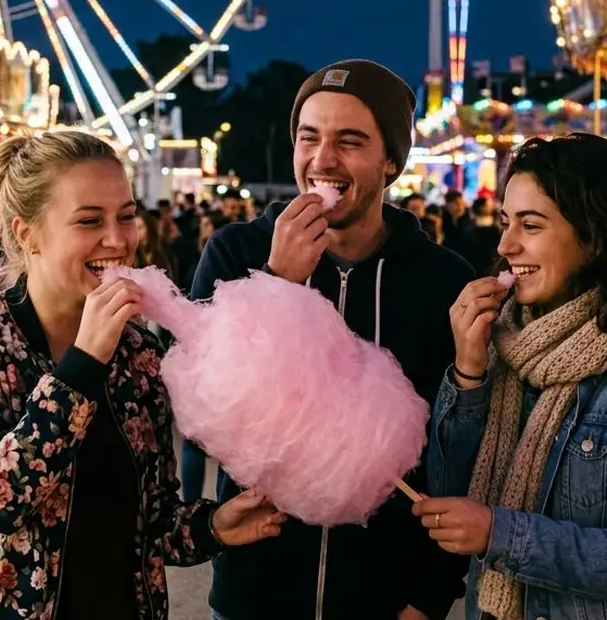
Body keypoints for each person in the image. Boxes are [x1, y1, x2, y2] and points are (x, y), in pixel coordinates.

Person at [0, 131, 285, 620]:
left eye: (127, 216)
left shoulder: (141, 355)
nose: (119, 240)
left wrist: (214, 526)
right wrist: (84, 363)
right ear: (26, 233)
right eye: (90, 220)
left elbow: (150, 522)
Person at [193, 59, 473, 620]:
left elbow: (460, 454)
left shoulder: (443, 280)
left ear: (391, 161)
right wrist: (277, 286)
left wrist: (430, 594)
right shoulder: (236, 254)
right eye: (309, 137)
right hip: (257, 590)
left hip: (386, 597)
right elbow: (203, 420)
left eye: (350, 141)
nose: (323, 160)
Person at [412, 133, 607, 620]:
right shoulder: (505, 345)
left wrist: (499, 533)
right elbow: (449, 489)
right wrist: (468, 370)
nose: (505, 244)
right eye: (505, 222)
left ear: (597, 234)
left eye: (530, 225)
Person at [458, 197, 502, 276]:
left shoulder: (496, 227)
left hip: (490, 266)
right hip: (477, 267)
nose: (492, 206)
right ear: (481, 208)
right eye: (488, 205)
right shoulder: (469, 228)